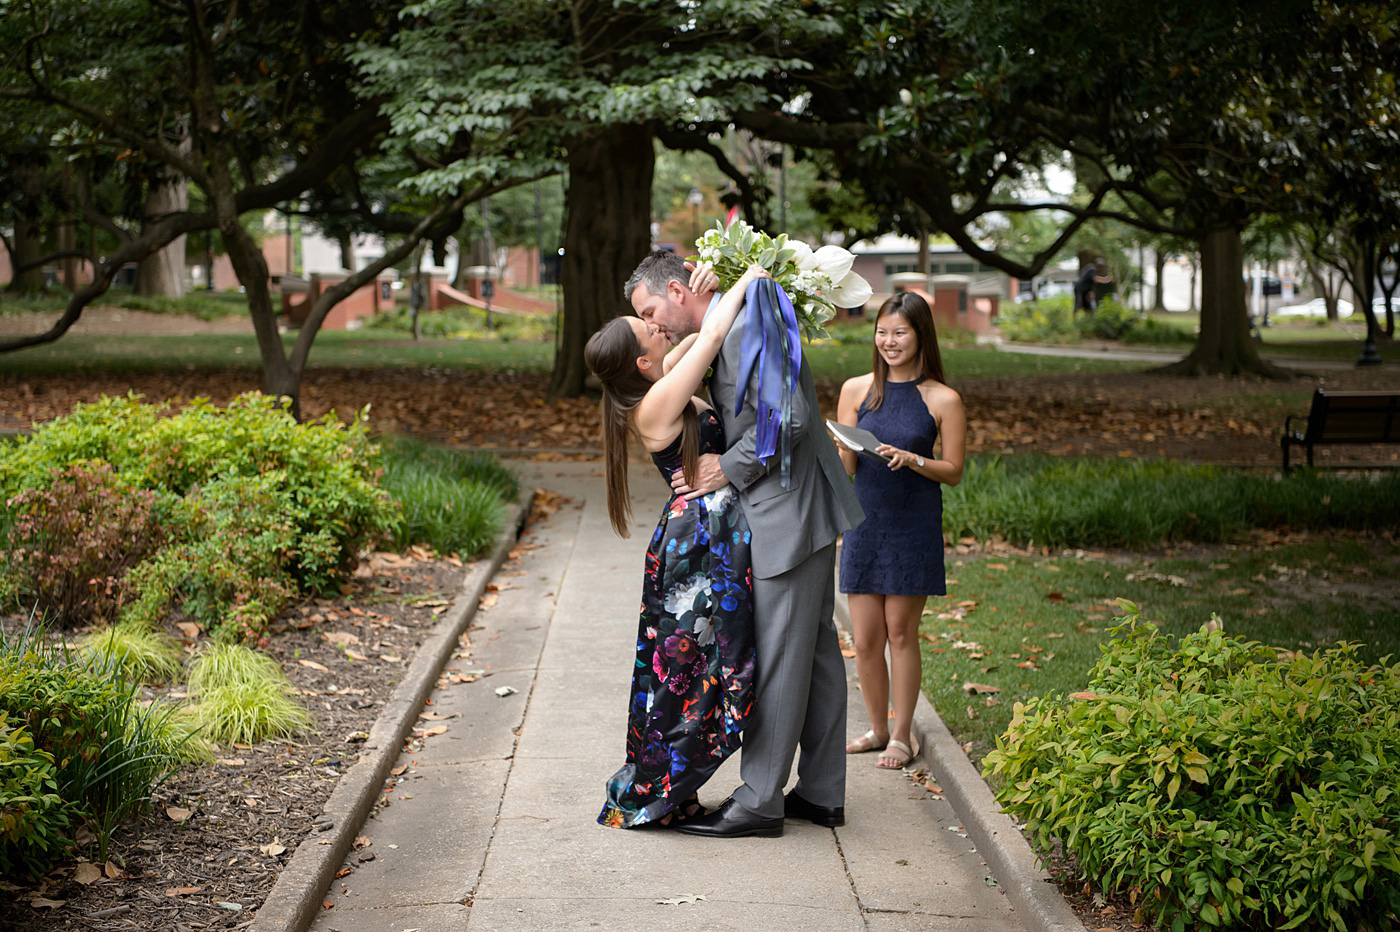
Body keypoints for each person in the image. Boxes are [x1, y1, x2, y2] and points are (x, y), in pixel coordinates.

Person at [626, 249, 864, 838]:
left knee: (784, 657)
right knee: (814, 653)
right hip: (793, 505)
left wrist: (724, 468)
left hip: (787, 509)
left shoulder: (750, 315)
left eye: (652, 309)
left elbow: (790, 418)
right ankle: (822, 791)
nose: (654, 324)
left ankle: (761, 800)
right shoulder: (730, 319)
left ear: (678, 292)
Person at [587, 263, 769, 830]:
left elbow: (695, 333)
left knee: (690, 670)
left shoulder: (660, 383)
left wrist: (710, 290)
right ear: (644, 363)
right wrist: (752, 277)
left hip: (704, 539)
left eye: (648, 317)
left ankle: (676, 787)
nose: (656, 325)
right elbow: (709, 337)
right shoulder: (657, 402)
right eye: (646, 327)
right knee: (687, 672)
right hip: (697, 549)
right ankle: (662, 789)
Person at [836, 292, 965, 770]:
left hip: (913, 525)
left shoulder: (942, 399)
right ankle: (877, 728)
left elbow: (953, 470)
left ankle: (903, 735)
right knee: (866, 638)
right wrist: (840, 445)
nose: (889, 341)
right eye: (882, 332)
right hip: (865, 524)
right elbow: (847, 467)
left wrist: (915, 459)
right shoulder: (857, 391)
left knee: (901, 632)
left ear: (920, 336)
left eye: (900, 332)